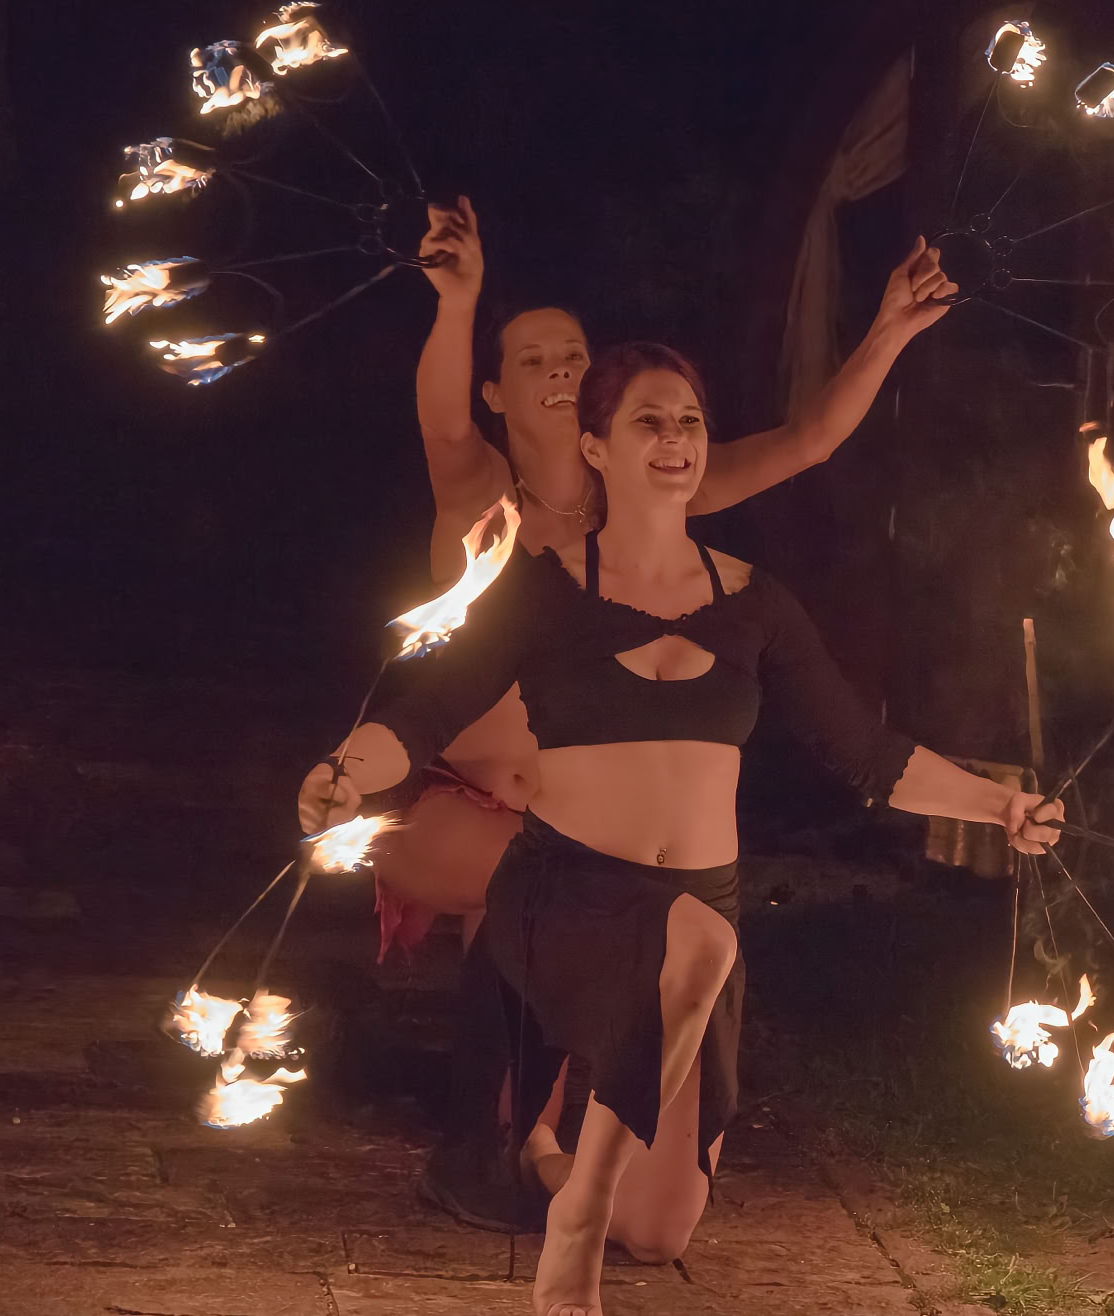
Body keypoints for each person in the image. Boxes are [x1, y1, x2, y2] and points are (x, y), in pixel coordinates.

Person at [301, 344, 1060, 1316]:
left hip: (700, 903)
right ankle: (576, 1214)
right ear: (596, 447)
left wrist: (1000, 807)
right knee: (698, 944)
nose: (675, 440)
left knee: (660, 1232)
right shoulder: (540, 588)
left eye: (690, 421)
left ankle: (545, 1156)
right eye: (648, 422)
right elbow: (423, 713)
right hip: (566, 900)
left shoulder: (756, 602)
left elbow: (866, 753)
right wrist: (344, 772)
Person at [363, 196, 957, 957]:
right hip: (459, 814)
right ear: (495, 394)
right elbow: (442, 426)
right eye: (532, 361)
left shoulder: (650, 489)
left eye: (574, 355)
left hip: (578, 827)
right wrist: (457, 301)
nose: (560, 369)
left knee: (540, 992)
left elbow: (809, 440)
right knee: (591, 898)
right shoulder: (479, 493)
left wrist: (892, 328)